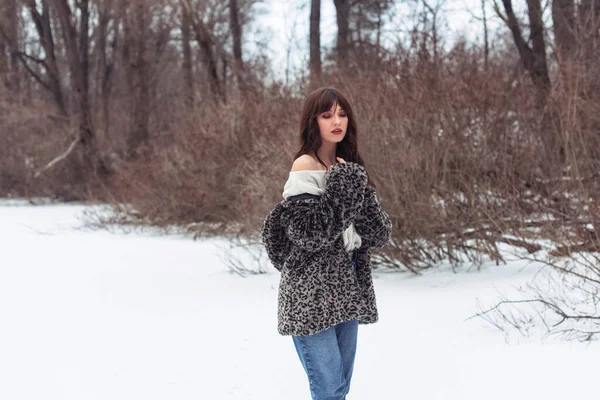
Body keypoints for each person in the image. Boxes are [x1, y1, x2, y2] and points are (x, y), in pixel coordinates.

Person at [261, 86, 393, 400]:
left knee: (340, 387)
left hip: (348, 283)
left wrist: (353, 182)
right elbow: (309, 234)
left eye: (342, 114)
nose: (337, 121)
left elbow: (378, 233)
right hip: (310, 289)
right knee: (328, 387)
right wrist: (343, 188)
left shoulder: (350, 167)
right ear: (313, 122)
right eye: (327, 114)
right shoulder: (305, 166)